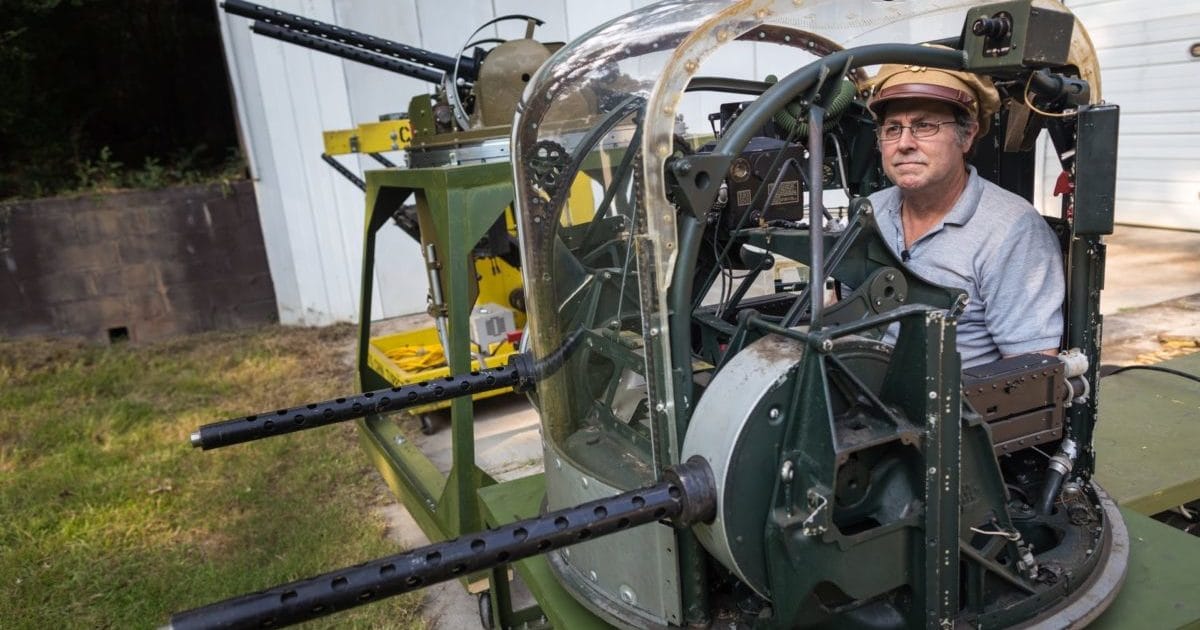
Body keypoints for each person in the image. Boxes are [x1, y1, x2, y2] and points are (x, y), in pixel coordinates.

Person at [864, 63, 1064, 368]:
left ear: (967, 136)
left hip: (956, 409)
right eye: (893, 129)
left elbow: (1030, 372)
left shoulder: (1011, 230)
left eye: (924, 126)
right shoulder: (871, 212)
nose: (904, 144)